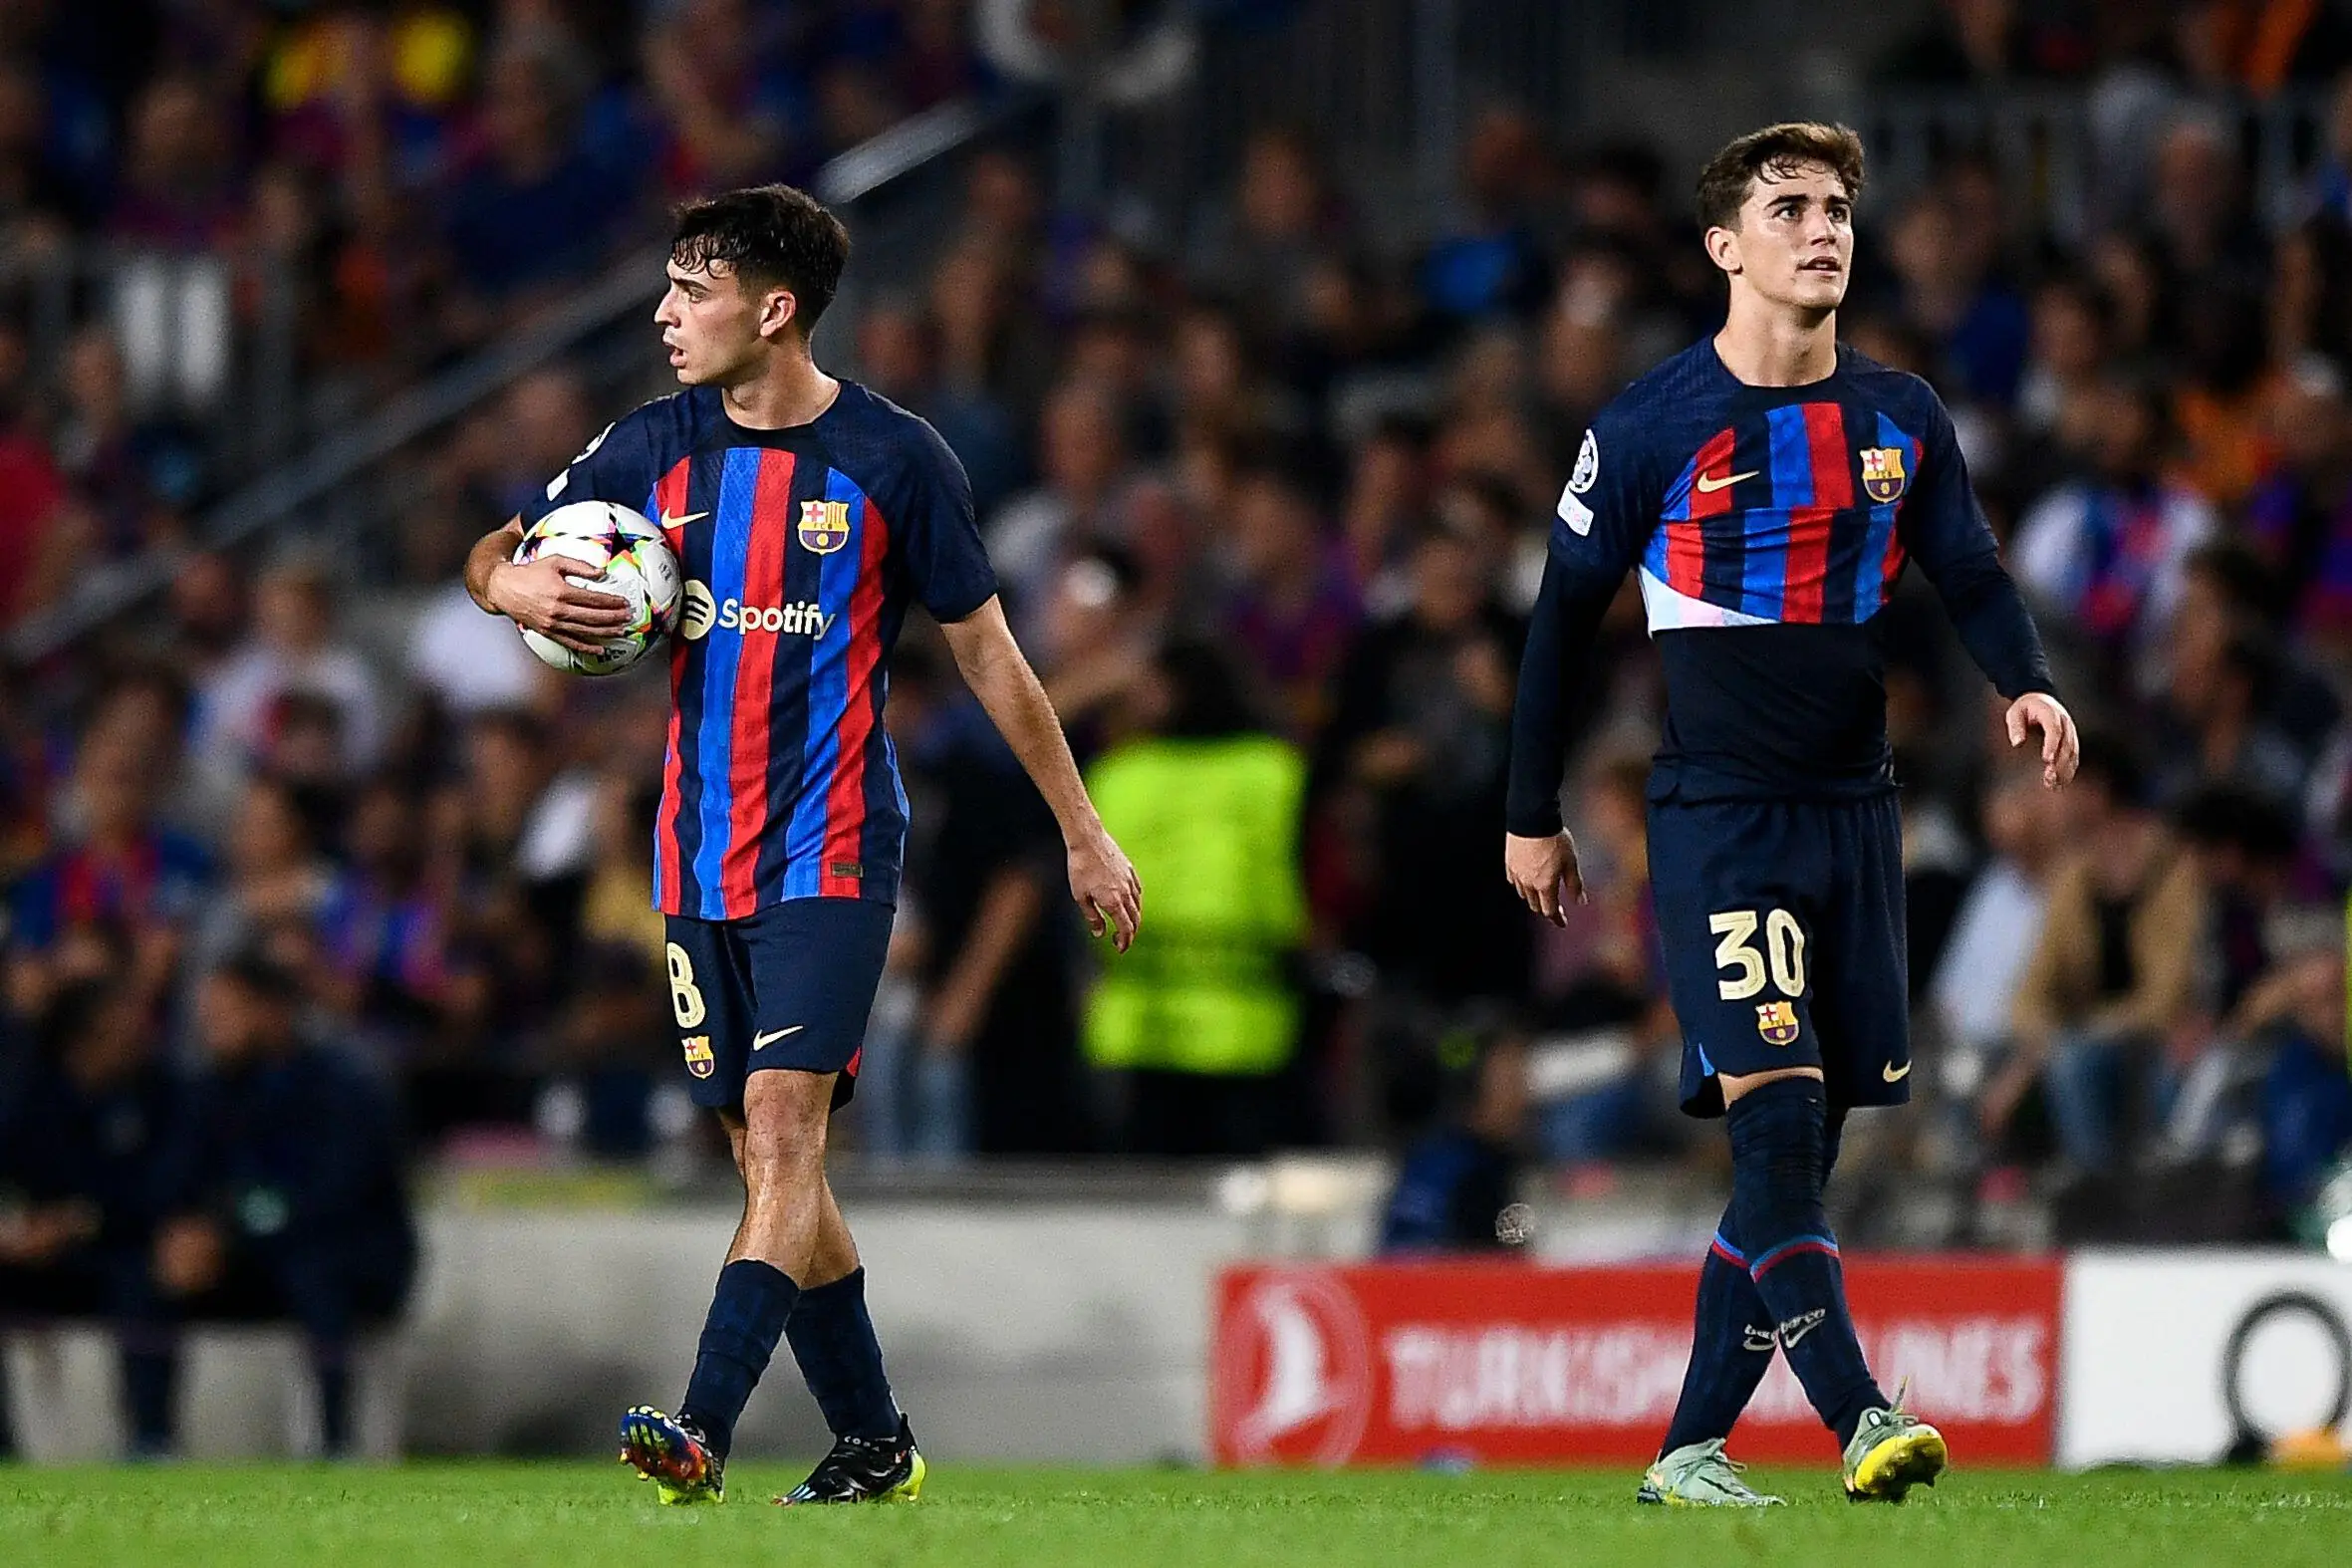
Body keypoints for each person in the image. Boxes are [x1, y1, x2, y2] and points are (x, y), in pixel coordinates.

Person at [460, 184, 1141, 1506]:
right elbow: (494, 540)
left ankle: (699, 1425)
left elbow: (991, 655)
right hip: (692, 858)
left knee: (783, 1132)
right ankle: (875, 1439)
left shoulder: (897, 461)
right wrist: (514, 582)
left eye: (689, 291)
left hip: (830, 852)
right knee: (777, 1165)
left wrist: (1082, 828)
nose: (662, 314)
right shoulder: (651, 445)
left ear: (774, 312)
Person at [1502, 123, 2079, 1506]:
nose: (1825, 230)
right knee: (1773, 1133)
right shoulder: (1649, 426)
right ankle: (1861, 1416)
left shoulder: (1902, 417)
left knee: (1795, 1166)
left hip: (1855, 820)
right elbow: (1557, 625)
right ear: (1724, 249)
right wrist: (1533, 812)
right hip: (1719, 820)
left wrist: (2030, 683)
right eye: (1791, 208)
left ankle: (1686, 1449)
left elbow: (1973, 570)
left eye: (1838, 208)